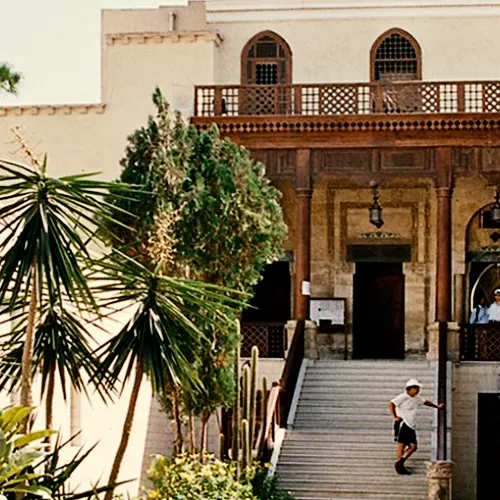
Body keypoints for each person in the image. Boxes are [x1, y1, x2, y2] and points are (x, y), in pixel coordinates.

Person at [388, 379, 445, 475]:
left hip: (411, 424)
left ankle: (400, 463)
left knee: (413, 447)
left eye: (418, 388)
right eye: (416, 388)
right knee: (402, 444)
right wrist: (395, 417)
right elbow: (391, 404)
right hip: (403, 423)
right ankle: (399, 465)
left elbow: (426, 402)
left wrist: (437, 407)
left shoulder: (416, 398)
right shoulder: (403, 397)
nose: (418, 390)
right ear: (409, 389)